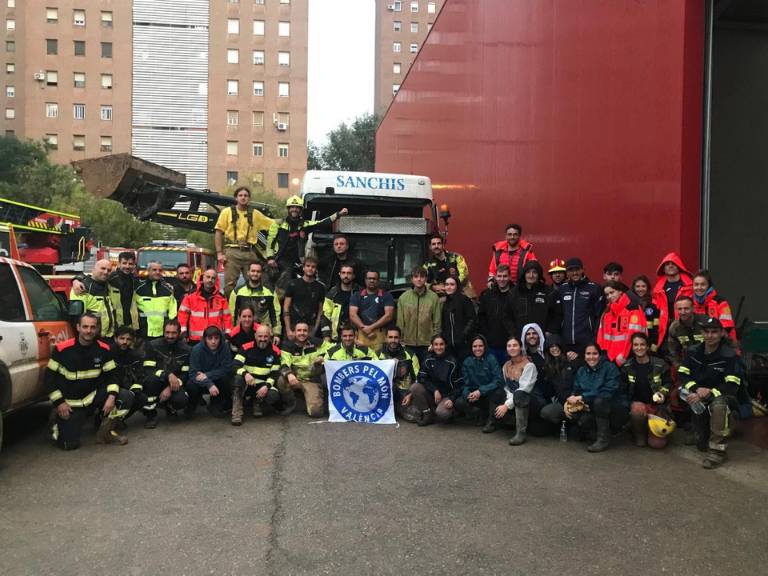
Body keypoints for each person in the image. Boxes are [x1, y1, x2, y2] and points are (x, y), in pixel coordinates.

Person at [45, 313, 130, 449]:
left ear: (96, 329)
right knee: (69, 445)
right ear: (78, 327)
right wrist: (59, 403)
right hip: (70, 403)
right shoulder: (62, 349)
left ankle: (105, 432)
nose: (89, 331)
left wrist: (112, 397)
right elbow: (49, 379)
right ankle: (56, 422)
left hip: (92, 398)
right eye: (85, 327)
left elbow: (113, 375)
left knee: (125, 397)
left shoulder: (104, 349)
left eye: (92, 327)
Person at [678, 317, 744, 468]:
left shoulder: (729, 355)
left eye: (714, 332)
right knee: (701, 445)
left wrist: (710, 392)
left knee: (718, 405)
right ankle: (699, 431)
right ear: (701, 333)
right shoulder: (693, 351)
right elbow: (683, 374)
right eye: (706, 332)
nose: (710, 335)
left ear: (721, 333)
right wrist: (695, 389)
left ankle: (718, 451)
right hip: (699, 392)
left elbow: (732, 384)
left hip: (724, 395)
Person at [266, 195, 348, 284]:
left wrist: (338, 214)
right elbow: (270, 242)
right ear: (288, 209)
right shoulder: (278, 224)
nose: (294, 209)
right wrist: (270, 258)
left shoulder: (305, 225)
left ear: (300, 210)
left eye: (297, 208)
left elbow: (322, 223)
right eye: (292, 207)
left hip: (298, 263)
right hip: (280, 261)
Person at [566, 343, 627, 452]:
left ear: (600, 355)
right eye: (588, 354)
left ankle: (603, 439)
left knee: (600, 401)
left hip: (611, 406)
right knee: (578, 419)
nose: (591, 357)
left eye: (595, 353)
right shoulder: (581, 371)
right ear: (584, 356)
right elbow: (575, 391)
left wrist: (583, 397)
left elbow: (608, 391)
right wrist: (568, 403)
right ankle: (596, 433)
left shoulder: (610, 368)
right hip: (589, 407)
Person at [214, 185, 274, 296]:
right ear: (236, 198)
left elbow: (272, 224)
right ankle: (231, 310)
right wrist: (219, 253)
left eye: (246, 196)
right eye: (240, 195)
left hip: (249, 252)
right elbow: (218, 232)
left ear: (249, 198)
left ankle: (252, 309)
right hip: (232, 252)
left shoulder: (255, 214)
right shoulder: (227, 212)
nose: (243, 198)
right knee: (229, 285)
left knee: (254, 282)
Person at [622, 333, 673, 448]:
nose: (639, 348)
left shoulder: (660, 364)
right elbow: (623, 389)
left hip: (657, 406)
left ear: (648, 346)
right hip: (638, 407)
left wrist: (662, 394)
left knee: (657, 444)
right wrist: (629, 404)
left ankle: (652, 429)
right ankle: (639, 433)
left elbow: (669, 383)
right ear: (632, 347)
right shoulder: (627, 366)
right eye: (635, 345)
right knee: (637, 409)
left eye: (642, 344)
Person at [71, 251, 139, 333]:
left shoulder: (135, 280)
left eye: (130, 264)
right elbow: (76, 317)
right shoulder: (84, 287)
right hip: (95, 333)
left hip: (118, 331)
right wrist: (76, 280)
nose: (106, 272)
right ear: (119, 264)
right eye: (124, 263)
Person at [487, 336, 538, 444]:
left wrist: (507, 405)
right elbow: (507, 387)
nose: (512, 348)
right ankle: (493, 422)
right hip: (514, 398)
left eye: (515, 345)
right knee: (497, 391)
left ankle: (521, 433)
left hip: (531, 400)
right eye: (509, 346)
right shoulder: (506, 365)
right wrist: (507, 401)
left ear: (520, 348)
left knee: (520, 394)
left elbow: (525, 389)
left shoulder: (529, 366)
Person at [141, 318, 190, 428]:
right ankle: (150, 414)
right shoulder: (152, 346)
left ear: (179, 333)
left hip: (174, 384)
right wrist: (167, 375)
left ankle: (169, 406)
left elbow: (185, 374)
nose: (170, 336)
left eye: (174, 333)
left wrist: (169, 387)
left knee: (181, 400)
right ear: (163, 332)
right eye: (167, 332)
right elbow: (148, 369)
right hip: (156, 381)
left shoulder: (186, 350)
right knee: (150, 381)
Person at [231, 325, 281, 424]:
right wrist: (245, 374)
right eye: (260, 336)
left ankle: (257, 403)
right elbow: (235, 365)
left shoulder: (275, 351)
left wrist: (267, 386)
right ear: (255, 336)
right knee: (237, 379)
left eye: (266, 336)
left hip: (262, 385)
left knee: (273, 395)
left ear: (270, 337)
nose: (263, 339)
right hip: (246, 383)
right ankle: (237, 412)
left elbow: (275, 373)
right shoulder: (245, 348)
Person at [410, 334, 464, 426]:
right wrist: (434, 390)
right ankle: (427, 413)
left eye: (441, 344)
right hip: (433, 393)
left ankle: (453, 412)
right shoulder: (428, 359)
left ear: (445, 345)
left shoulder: (453, 362)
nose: (439, 347)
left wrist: (452, 399)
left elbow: (460, 385)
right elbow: (421, 378)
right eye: (436, 344)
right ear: (432, 346)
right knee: (415, 387)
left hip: (447, 395)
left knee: (442, 413)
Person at [555, 258, 603, 360]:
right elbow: (558, 315)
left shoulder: (594, 288)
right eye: (571, 270)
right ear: (567, 273)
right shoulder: (562, 289)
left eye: (577, 269)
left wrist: (593, 339)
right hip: (566, 342)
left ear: (582, 270)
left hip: (587, 342)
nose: (575, 273)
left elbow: (599, 316)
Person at [279, 321, 328, 418]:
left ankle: (312, 397)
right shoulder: (287, 345)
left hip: (311, 380)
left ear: (308, 332)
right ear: (294, 332)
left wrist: (322, 357)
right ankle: (291, 402)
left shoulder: (316, 342)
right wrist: (289, 374)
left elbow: (333, 349)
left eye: (305, 330)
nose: (302, 333)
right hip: (295, 379)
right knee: (281, 380)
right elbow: (283, 363)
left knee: (316, 412)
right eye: (299, 330)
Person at [455, 335, 503, 426]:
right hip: (475, 395)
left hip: (489, 393)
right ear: (471, 347)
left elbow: (498, 380)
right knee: (459, 402)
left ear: (485, 346)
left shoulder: (491, 359)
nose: (478, 349)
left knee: (498, 392)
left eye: (480, 346)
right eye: (475, 346)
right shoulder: (467, 361)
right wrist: (468, 394)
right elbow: (465, 383)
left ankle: (492, 421)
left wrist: (481, 391)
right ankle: (480, 414)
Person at [229, 260, 281, 344]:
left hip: (263, 335)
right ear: (248, 273)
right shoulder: (237, 292)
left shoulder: (270, 292)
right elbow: (232, 314)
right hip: (243, 334)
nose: (255, 274)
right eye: (253, 271)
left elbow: (275, 314)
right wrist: (233, 333)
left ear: (261, 274)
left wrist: (276, 334)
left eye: (258, 271)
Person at [397, 266, 442, 364]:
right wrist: (400, 342)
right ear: (412, 279)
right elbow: (400, 322)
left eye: (422, 276)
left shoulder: (433, 298)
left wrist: (435, 342)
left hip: (427, 344)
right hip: (408, 343)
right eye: (416, 276)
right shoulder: (403, 298)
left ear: (426, 279)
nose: (419, 279)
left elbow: (437, 322)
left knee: (426, 372)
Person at [597, 280, 647, 366]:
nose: (609, 296)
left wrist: (623, 355)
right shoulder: (607, 312)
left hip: (628, 357)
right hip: (608, 358)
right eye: (607, 294)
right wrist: (601, 354)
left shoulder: (632, 308)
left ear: (620, 291)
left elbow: (635, 335)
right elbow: (601, 335)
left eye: (612, 292)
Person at [188, 325, 234, 418]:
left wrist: (207, 375)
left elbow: (227, 368)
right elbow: (193, 373)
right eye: (210, 338)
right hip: (201, 381)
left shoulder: (224, 347)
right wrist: (209, 384)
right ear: (205, 339)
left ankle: (215, 404)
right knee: (190, 384)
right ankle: (193, 403)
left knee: (226, 380)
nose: (213, 341)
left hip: (216, 379)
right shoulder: (197, 349)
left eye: (216, 338)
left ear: (220, 339)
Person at [377, 326, 421, 422]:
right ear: (386, 338)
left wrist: (410, 395)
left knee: (416, 416)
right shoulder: (377, 354)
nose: (393, 340)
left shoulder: (410, 354)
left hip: (404, 391)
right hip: (385, 391)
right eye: (390, 337)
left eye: (396, 337)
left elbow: (418, 378)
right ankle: (392, 407)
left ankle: (396, 407)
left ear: (400, 338)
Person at [178, 268, 233, 344]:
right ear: (202, 278)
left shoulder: (221, 298)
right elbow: (182, 314)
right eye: (208, 277)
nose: (210, 280)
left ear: (216, 280)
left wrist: (227, 334)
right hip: (195, 340)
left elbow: (227, 318)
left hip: (214, 339)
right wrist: (183, 331)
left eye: (213, 278)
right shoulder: (191, 297)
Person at [69, 259, 121, 338]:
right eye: (103, 268)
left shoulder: (108, 286)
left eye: (109, 270)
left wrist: (75, 279)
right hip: (90, 338)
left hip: (109, 337)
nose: (106, 272)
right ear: (93, 269)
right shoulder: (81, 287)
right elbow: (76, 318)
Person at [652, 252, 693, 348]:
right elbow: (655, 310)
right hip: (664, 329)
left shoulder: (690, 286)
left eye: (673, 263)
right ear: (663, 268)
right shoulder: (658, 288)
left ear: (679, 266)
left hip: (685, 326)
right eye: (667, 264)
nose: (670, 266)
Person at [477, 265, 516, 364]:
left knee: (510, 375)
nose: (502, 279)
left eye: (505, 276)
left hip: (511, 344)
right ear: (495, 277)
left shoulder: (516, 294)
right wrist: (487, 336)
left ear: (510, 277)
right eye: (499, 276)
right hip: (492, 345)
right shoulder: (487, 295)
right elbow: (481, 317)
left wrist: (514, 336)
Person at [348, 269, 395, 350]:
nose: (372, 280)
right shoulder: (357, 295)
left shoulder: (386, 295)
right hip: (361, 335)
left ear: (378, 280)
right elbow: (352, 315)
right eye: (369, 278)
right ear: (365, 280)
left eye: (374, 278)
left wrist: (370, 328)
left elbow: (389, 316)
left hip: (380, 334)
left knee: (379, 360)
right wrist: (364, 328)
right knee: (362, 360)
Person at [110, 325, 147, 424]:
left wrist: (135, 388)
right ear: (115, 338)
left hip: (126, 385)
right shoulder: (108, 353)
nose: (125, 342)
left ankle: (119, 420)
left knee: (142, 398)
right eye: (122, 338)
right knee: (126, 396)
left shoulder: (135, 355)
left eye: (128, 339)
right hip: (109, 388)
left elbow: (140, 374)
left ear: (132, 341)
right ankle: (102, 420)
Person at [282, 256, 326, 341]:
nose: (310, 269)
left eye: (313, 267)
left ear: (316, 269)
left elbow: (320, 311)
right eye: (308, 266)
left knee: (309, 353)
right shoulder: (293, 284)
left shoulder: (320, 287)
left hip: (310, 326)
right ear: (303, 268)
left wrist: (315, 330)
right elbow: (286, 307)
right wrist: (288, 329)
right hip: (293, 325)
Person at [511, 260, 558, 338]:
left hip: (543, 338)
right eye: (528, 272)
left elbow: (557, 314)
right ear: (524, 274)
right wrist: (514, 333)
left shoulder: (549, 292)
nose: (531, 275)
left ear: (539, 275)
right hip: (520, 338)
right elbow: (507, 316)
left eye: (534, 272)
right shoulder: (514, 293)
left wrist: (550, 331)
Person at [539, 335, 578, 427]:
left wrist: (570, 400)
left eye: (557, 346)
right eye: (551, 347)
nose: (554, 349)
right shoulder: (548, 366)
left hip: (576, 399)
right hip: (561, 402)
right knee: (546, 412)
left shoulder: (572, 361)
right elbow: (551, 391)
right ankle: (563, 425)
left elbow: (578, 384)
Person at [135, 260, 178, 340]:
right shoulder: (139, 289)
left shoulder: (168, 290)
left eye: (160, 270)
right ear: (148, 271)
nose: (157, 272)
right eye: (154, 270)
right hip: (143, 333)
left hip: (162, 333)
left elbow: (172, 312)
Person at [691, 270, 737, 342]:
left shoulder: (720, 302)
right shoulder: (690, 303)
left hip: (723, 343)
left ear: (709, 286)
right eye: (696, 284)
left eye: (703, 284)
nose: (699, 287)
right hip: (699, 345)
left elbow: (727, 326)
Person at [424, 235, 474, 299]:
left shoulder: (456, 257)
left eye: (439, 243)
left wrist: (448, 286)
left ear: (443, 245)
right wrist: (432, 286)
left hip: (462, 294)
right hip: (441, 297)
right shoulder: (428, 264)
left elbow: (464, 275)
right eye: (433, 244)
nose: (436, 246)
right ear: (430, 247)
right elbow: (422, 281)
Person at [441, 276, 477, 362]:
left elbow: (472, 319)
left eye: (452, 284)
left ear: (457, 286)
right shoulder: (445, 303)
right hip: (449, 345)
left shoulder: (464, 300)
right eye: (446, 284)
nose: (449, 287)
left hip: (464, 345)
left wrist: (463, 336)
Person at [321, 263, 361, 342]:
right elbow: (326, 316)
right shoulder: (332, 293)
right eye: (343, 273)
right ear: (339, 274)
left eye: (349, 273)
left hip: (356, 335)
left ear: (353, 275)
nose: (346, 276)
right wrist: (326, 336)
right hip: (336, 335)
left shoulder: (360, 293)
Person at [631, 275, 661, 352]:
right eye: (637, 286)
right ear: (633, 288)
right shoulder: (629, 304)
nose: (640, 289)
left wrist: (654, 342)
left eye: (643, 286)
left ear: (648, 287)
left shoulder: (653, 304)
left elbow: (656, 325)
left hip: (649, 341)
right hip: (632, 342)